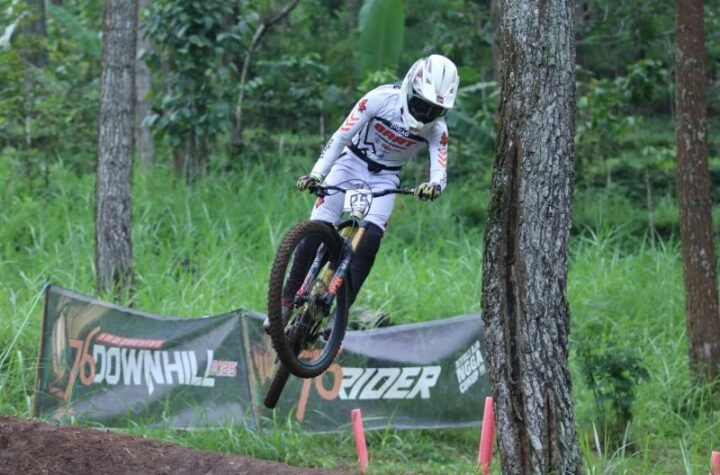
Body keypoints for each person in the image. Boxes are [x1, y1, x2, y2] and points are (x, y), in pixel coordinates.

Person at [265, 54, 459, 331]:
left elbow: (439, 170)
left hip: (386, 178)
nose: (425, 115)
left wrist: (433, 186)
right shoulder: (379, 99)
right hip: (349, 164)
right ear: (408, 90)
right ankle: (284, 305)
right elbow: (341, 137)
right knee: (316, 230)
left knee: (370, 241)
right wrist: (316, 175)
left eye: (435, 111)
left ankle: (339, 316)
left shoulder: (438, 130)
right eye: (420, 105)